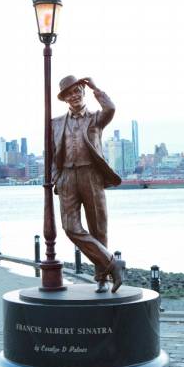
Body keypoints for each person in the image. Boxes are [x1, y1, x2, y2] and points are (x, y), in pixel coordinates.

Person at [52, 75, 124, 293]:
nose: (74, 96)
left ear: (83, 92)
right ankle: (113, 263)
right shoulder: (55, 124)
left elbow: (110, 108)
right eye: (69, 94)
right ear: (64, 99)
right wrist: (56, 177)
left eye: (77, 91)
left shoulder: (96, 118)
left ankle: (102, 277)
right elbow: (51, 153)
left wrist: (95, 88)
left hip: (91, 176)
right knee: (70, 227)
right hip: (67, 177)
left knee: (98, 228)